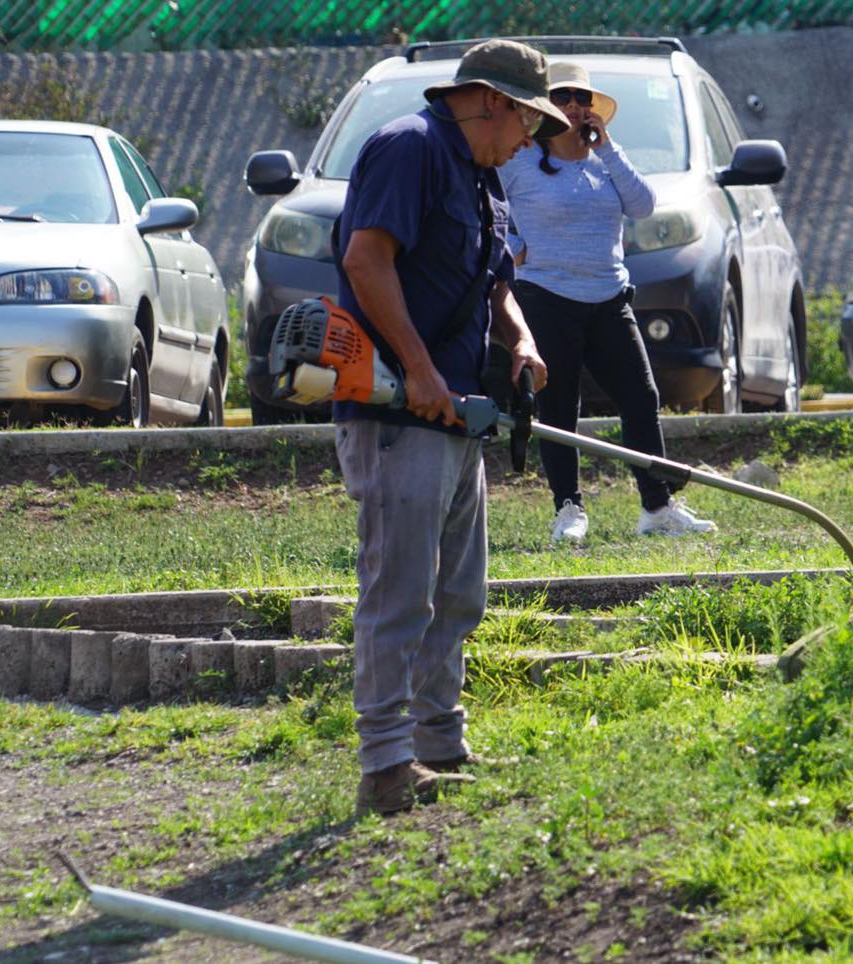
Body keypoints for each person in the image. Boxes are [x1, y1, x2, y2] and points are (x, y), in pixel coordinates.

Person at [332, 40, 564, 817]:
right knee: (400, 591)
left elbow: (496, 286)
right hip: (400, 411)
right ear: (491, 100)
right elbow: (368, 261)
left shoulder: (483, 178)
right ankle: (384, 763)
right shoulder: (410, 150)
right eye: (530, 118)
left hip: (459, 417)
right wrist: (422, 370)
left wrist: (520, 340)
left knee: (459, 593)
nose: (532, 139)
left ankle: (439, 742)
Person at [498, 61, 715, 544]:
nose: (574, 107)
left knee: (641, 398)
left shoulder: (606, 161)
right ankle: (569, 509)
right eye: (562, 97)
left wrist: (609, 147)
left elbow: (642, 205)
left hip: (609, 298)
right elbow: (486, 210)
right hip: (546, 296)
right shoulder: (521, 159)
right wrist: (511, 248)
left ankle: (657, 507)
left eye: (582, 99)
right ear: (543, 107)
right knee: (559, 405)